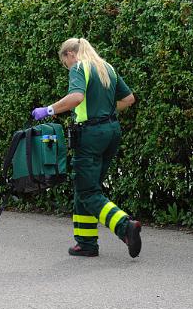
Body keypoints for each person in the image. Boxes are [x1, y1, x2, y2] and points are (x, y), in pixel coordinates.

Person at [31, 38, 141, 258]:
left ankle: (124, 225)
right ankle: (86, 243)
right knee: (86, 186)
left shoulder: (80, 67)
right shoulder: (106, 67)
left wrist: (49, 110)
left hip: (90, 135)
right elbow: (129, 99)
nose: (68, 67)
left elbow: (76, 97)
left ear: (71, 54)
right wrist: (106, 112)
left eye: (66, 63)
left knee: (87, 191)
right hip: (111, 132)